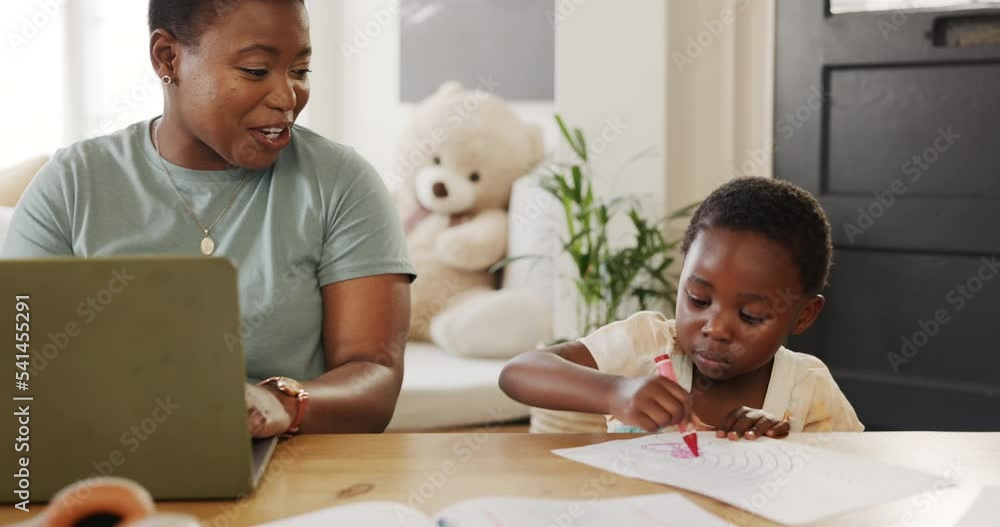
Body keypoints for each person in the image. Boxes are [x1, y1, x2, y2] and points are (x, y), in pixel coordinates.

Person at [2, 0, 416, 438]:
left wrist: (281, 403)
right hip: (102, 458)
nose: (286, 97)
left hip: (287, 461)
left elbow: (374, 374)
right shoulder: (71, 185)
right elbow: (22, 373)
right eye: (256, 70)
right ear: (168, 57)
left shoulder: (341, 182)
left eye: (300, 70)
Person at [499, 177, 864, 438]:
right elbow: (519, 373)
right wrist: (616, 393)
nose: (716, 329)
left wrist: (788, 448)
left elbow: (851, 476)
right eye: (699, 300)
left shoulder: (809, 390)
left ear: (803, 315)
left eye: (750, 316)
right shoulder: (648, 344)